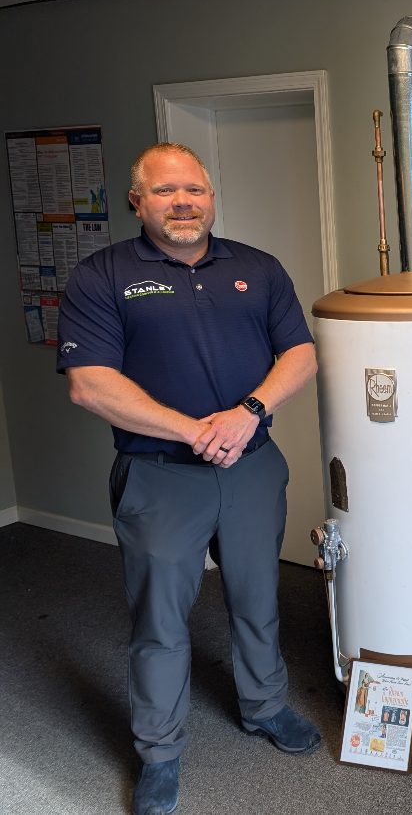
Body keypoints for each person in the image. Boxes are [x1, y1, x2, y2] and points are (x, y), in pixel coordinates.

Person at [56, 142, 321, 815]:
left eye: (195, 190)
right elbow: (90, 385)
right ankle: (159, 752)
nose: (183, 202)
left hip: (253, 468)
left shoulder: (256, 269)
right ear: (137, 200)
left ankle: (264, 707)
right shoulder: (101, 275)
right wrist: (195, 430)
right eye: (167, 191)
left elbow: (300, 352)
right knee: (159, 624)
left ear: (210, 196)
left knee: (259, 602)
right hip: (160, 477)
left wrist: (248, 414)